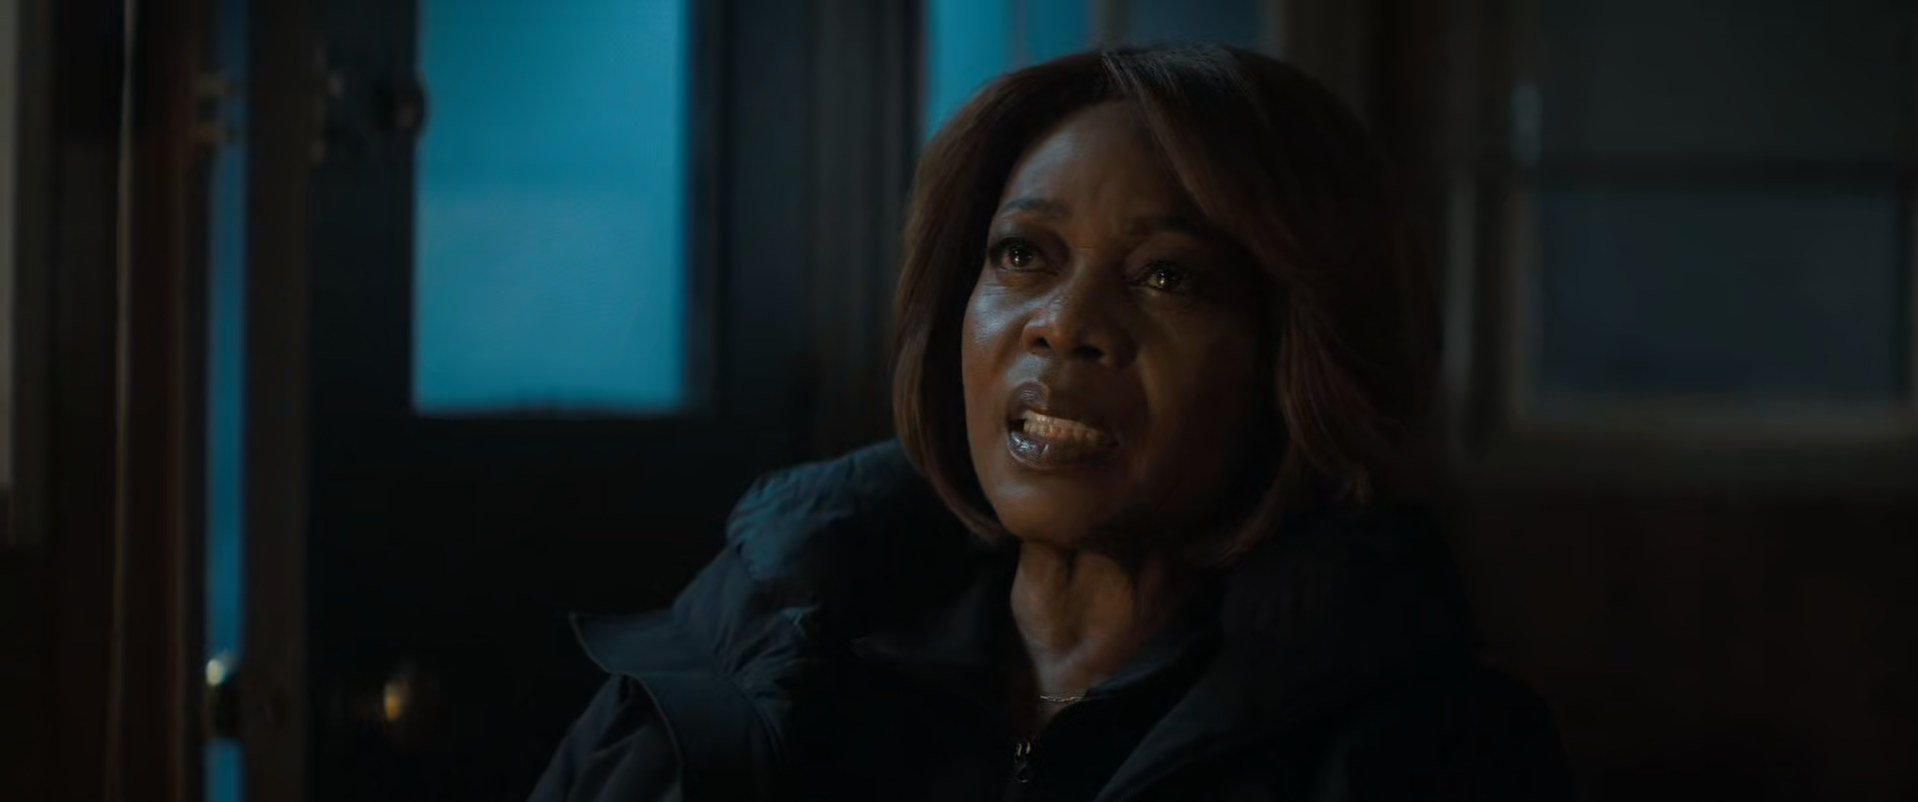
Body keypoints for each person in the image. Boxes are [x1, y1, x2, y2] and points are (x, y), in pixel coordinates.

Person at [529, 44, 1572, 802]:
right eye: (1023, 256)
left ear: (1301, 358)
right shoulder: (752, 640)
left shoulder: (1431, 750)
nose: (1065, 324)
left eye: (1166, 276)